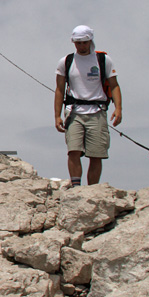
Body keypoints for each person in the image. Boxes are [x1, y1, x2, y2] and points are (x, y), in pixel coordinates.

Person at [54, 25, 123, 186]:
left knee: (96, 153)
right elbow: (59, 89)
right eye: (78, 43)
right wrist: (57, 115)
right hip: (74, 111)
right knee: (73, 150)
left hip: (97, 111)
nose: (81, 46)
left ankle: (92, 189)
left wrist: (118, 108)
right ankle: (76, 186)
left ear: (90, 41)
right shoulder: (66, 62)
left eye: (84, 42)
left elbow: (114, 85)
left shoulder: (103, 60)